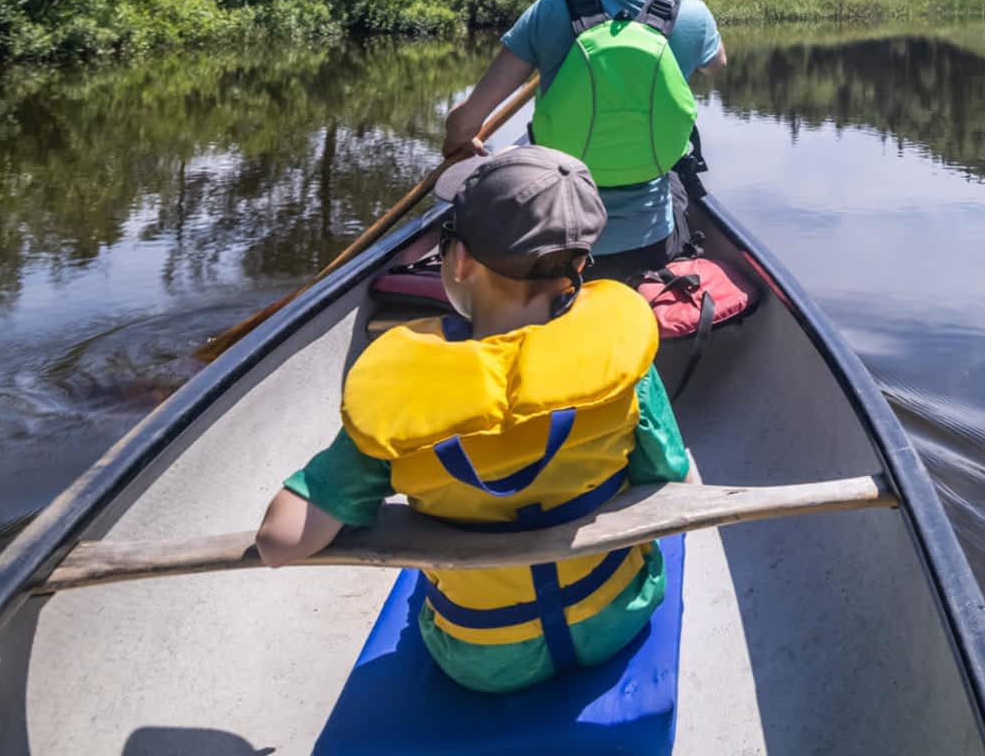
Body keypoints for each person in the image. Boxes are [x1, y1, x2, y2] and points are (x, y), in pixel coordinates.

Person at [255, 145, 691, 694]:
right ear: (580, 265)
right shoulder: (624, 366)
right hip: (617, 616)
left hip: (480, 658)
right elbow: (675, 482)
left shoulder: (403, 399)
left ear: (458, 261)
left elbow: (280, 540)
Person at [444, 0, 725, 280]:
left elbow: (466, 123)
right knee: (680, 184)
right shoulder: (693, 17)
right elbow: (716, 64)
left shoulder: (550, 12)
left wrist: (459, 141)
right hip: (648, 244)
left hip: (550, 242)